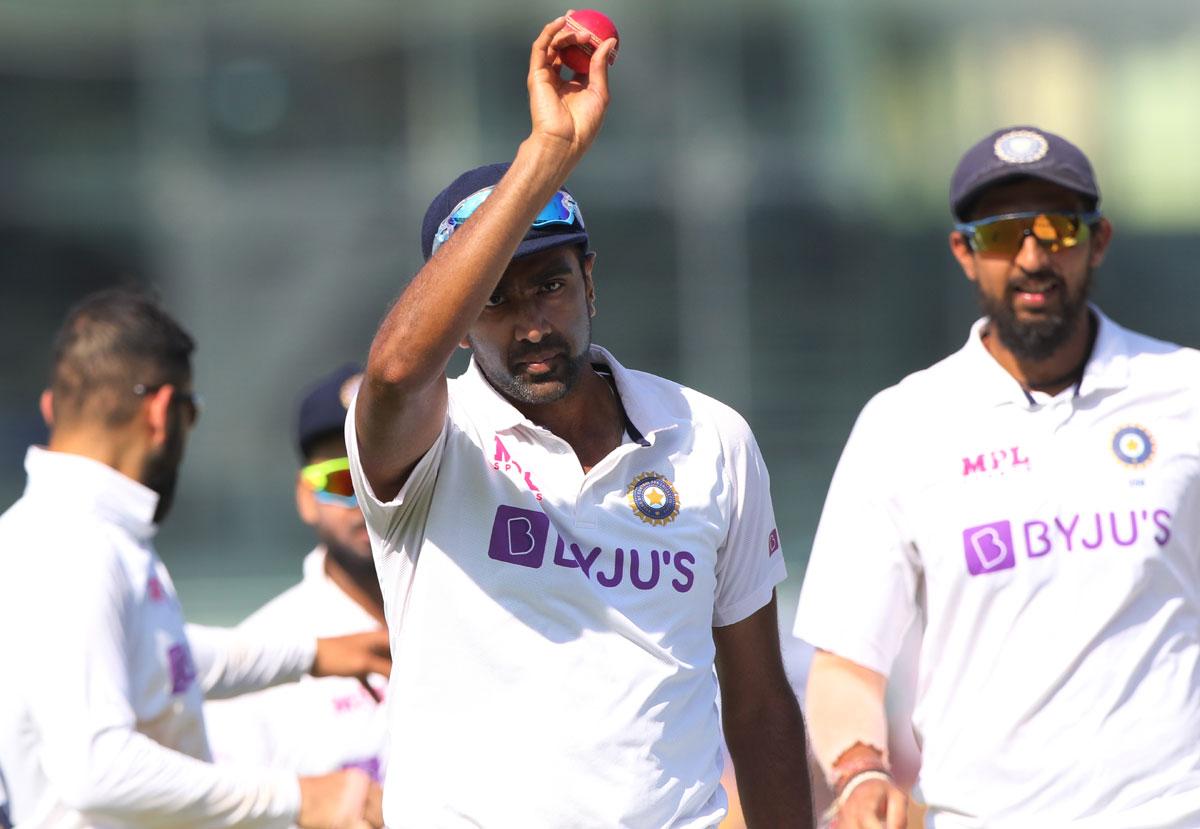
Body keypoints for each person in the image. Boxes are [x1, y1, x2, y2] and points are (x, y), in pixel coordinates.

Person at [347, 15, 812, 829]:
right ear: (456, 316)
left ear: (589, 280)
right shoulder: (432, 445)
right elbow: (391, 373)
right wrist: (545, 155)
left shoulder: (710, 437)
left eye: (550, 285)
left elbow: (761, 705)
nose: (529, 322)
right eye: (493, 296)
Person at [794, 125, 1200, 828]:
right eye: (1003, 234)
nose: (1034, 257)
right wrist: (860, 772)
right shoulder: (903, 423)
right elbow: (847, 661)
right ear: (964, 252)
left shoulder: (1184, 390)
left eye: (1057, 229)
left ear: (1097, 240)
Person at [0, 289, 389, 829]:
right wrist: (299, 796)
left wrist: (311, 653)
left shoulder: (71, 529)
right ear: (163, 412)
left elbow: (159, 660)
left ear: (51, 407)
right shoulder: (76, 544)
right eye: (193, 412)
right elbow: (96, 769)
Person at [206, 364, 388, 781]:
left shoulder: (486, 613)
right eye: (342, 480)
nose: (367, 500)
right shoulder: (256, 656)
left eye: (385, 476)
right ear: (306, 498)